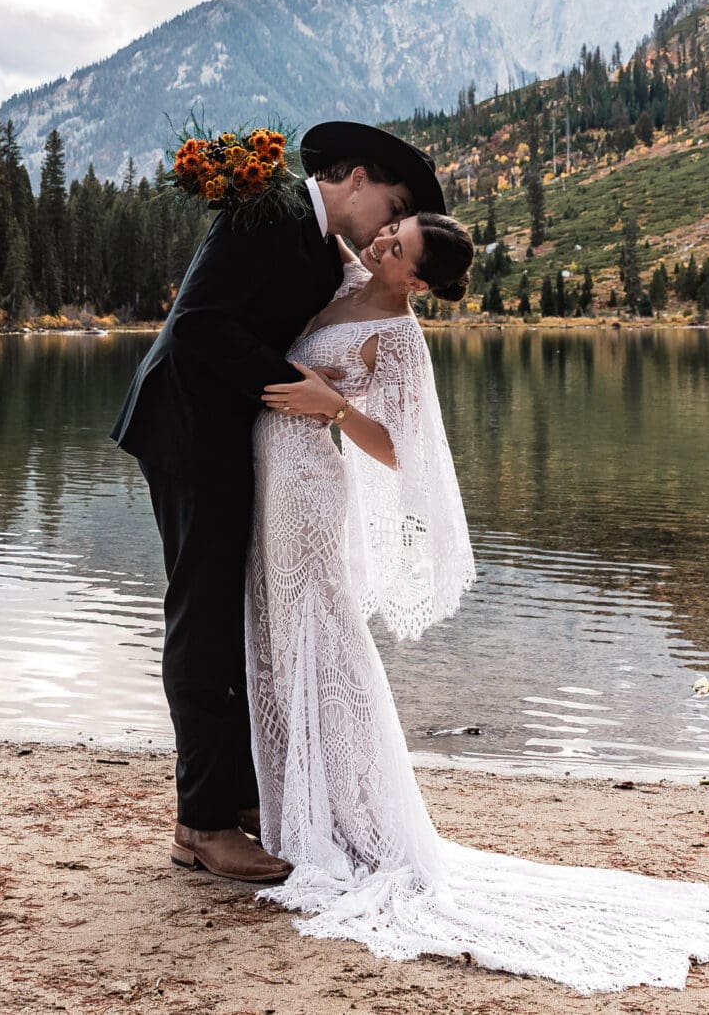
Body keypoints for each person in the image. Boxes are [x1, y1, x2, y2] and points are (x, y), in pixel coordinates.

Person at [250, 212, 709, 992]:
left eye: (396, 248)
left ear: (420, 283)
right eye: (391, 230)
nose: (382, 243)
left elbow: (402, 448)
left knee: (323, 646)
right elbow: (323, 208)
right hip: (276, 476)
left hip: (308, 487)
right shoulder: (348, 275)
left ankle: (340, 823)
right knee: (281, 641)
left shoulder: (398, 335)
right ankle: (303, 803)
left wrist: (328, 406)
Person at [111, 120, 435, 883]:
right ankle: (202, 823)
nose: (388, 227)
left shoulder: (325, 250)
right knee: (205, 617)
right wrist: (302, 388)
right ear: (356, 176)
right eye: (389, 206)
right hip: (188, 428)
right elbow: (198, 326)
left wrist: (324, 396)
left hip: (237, 438)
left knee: (244, 617)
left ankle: (247, 799)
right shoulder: (271, 211)